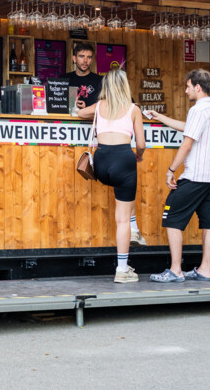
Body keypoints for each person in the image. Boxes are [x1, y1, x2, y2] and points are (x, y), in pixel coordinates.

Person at [144, 69, 210, 283]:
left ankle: (176, 270)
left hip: (196, 174)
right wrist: (160, 116)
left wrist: (171, 170)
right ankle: (204, 270)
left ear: (198, 87)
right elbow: (190, 129)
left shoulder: (197, 110)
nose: (186, 90)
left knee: (172, 218)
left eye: (188, 86)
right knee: (209, 222)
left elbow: (187, 143)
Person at [76, 69, 147, 283]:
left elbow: (80, 114)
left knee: (125, 196)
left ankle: (134, 229)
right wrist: (139, 156)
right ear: (125, 86)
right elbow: (141, 144)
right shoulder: (134, 109)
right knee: (122, 217)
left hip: (102, 164)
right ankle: (122, 269)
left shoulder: (98, 107)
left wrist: (81, 106)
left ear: (105, 87)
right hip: (123, 161)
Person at [61, 42, 102, 112]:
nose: (85, 60)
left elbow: (105, 107)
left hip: (90, 122)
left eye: (89, 57)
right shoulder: (63, 79)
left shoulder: (100, 81)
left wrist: (86, 109)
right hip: (67, 121)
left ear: (92, 60)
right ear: (74, 59)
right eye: (81, 56)